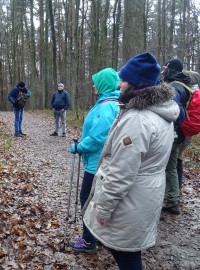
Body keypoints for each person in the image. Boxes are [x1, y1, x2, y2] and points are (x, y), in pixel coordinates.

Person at [82, 52, 179, 269]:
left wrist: (103, 209)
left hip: (132, 198)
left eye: (124, 80)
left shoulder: (138, 119)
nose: (119, 84)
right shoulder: (159, 111)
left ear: (136, 84)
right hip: (145, 192)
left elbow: (121, 173)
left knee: (125, 253)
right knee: (127, 251)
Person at [69, 68, 120, 254]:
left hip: (97, 164)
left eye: (96, 83)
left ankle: (88, 240)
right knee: (96, 199)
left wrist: (78, 147)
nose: (93, 86)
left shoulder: (107, 106)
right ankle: (96, 236)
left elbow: (99, 137)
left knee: (87, 199)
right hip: (103, 161)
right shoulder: (112, 102)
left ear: (104, 85)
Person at [161, 59, 192, 215]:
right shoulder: (184, 85)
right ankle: (174, 195)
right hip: (181, 133)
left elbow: (173, 111)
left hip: (175, 134)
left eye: (166, 68)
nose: (164, 70)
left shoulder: (174, 87)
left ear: (172, 69)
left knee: (170, 167)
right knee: (176, 163)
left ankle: (172, 201)